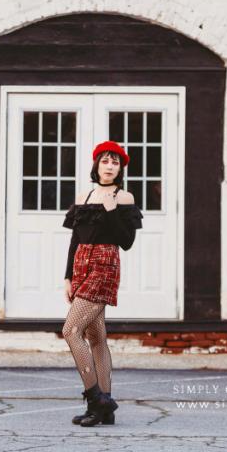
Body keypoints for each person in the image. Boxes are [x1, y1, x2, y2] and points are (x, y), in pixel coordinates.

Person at [61, 140, 143, 427]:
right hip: (81, 265)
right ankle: (105, 409)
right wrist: (68, 276)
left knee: (71, 330)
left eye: (116, 162)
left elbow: (127, 241)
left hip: (105, 265)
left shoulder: (124, 198)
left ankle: (96, 399)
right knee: (96, 337)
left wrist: (110, 210)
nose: (110, 166)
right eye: (105, 160)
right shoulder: (84, 196)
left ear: (120, 169)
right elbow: (75, 239)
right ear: (96, 164)